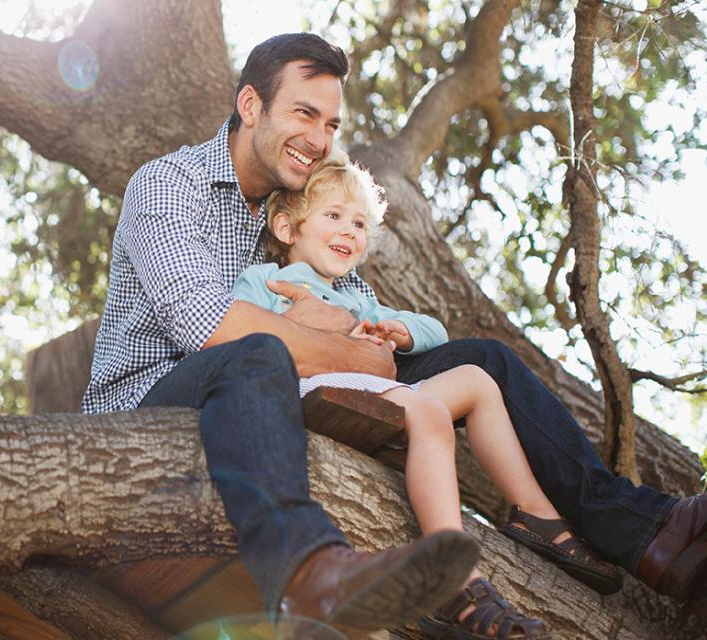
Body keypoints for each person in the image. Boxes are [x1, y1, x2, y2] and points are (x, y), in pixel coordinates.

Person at [82, 32, 705, 637]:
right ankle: (308, 570)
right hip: (152, 408)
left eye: (330, 124)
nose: (320, 139)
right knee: (258, 352)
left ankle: (644, 531)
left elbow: (359, 332)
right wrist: (356, 352)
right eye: (304, 113)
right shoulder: (170, 186)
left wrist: (383, 342)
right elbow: (210, 327)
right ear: (251, 106)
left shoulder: (295, 215)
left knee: (483, 359)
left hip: (280, 390)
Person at [233, 156, 623, 638]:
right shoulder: (266, 280)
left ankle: (534, 515)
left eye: (358, 223)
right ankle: (457, 584)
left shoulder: (359, 297)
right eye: (332, 216)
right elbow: (242, 339)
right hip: (314, 394)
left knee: (478, 383)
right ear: (288, 227)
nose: (348, 231)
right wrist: (304, 326)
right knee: (429, 412)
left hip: (374, 392)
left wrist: (397, 331)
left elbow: (435, 330)